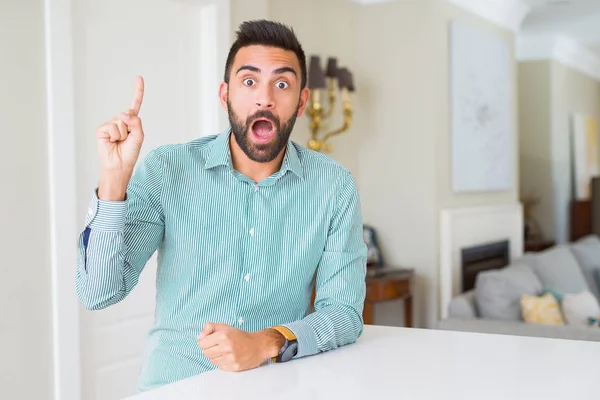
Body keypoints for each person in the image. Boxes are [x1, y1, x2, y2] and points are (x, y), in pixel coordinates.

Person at [76, 19, 367, 392]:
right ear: (225, 94)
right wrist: (113, 180)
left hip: (277, 386)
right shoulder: (168, 170)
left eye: (282, 84)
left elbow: (343, 313)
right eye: (249, 82)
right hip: (174, 388)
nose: (264, 98)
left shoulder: (334, 187)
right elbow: (98, 292)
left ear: (302, 100)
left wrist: (265, 342)